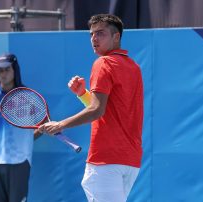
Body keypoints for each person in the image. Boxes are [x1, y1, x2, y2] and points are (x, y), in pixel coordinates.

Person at [38, 14, 144, 202]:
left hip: (105, 161)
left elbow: (97, 110)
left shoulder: (103, 63)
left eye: (100, 33)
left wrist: (60, 124)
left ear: (116, 37)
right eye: (92, 34)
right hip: (130, 162)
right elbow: (108, 110)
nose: (94, 39)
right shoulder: (134, 67)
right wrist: (83, 94)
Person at [0, 53, 41, 202]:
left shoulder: (28, 95)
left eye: (6, 70)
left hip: (19, 160)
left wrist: (26, 140)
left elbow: (41, 125)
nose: (2, 74)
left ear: (15, 70)